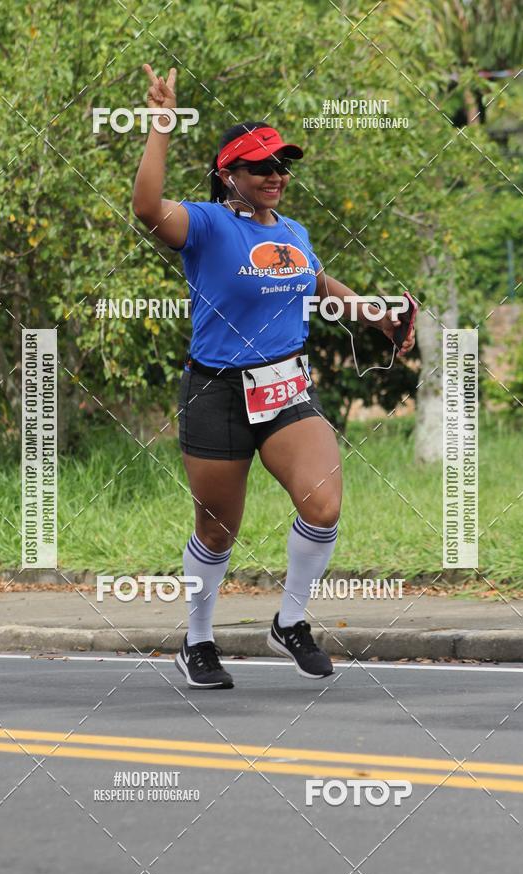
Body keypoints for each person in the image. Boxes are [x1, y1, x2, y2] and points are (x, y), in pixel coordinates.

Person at [132, 66, 415, 689]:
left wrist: (375, 316)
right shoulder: (205, 224)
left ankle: (290, 624)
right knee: (217, 527)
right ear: (229, 174)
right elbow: (147, 207)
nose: (276, 175)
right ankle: (198, 640)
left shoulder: (293, 232)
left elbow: (313, 280)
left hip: (286, 388)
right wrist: (160, 126)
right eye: (261, 166)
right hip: (216, 392)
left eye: (283, 165)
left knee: (324, 504)